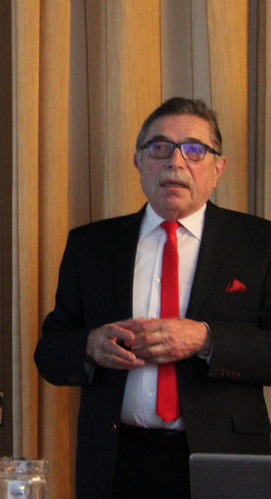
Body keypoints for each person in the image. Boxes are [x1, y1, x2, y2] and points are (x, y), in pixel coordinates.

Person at [34, 97, 271, 499]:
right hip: (116, 460)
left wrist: (206, 339)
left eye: (194, 150)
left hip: (221, 456)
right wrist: (89, 346)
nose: (175, 162)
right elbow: (50, 352)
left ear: (218, 168)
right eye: (160, 148)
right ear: (139, 161)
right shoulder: (91, 245)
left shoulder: (259, 243)